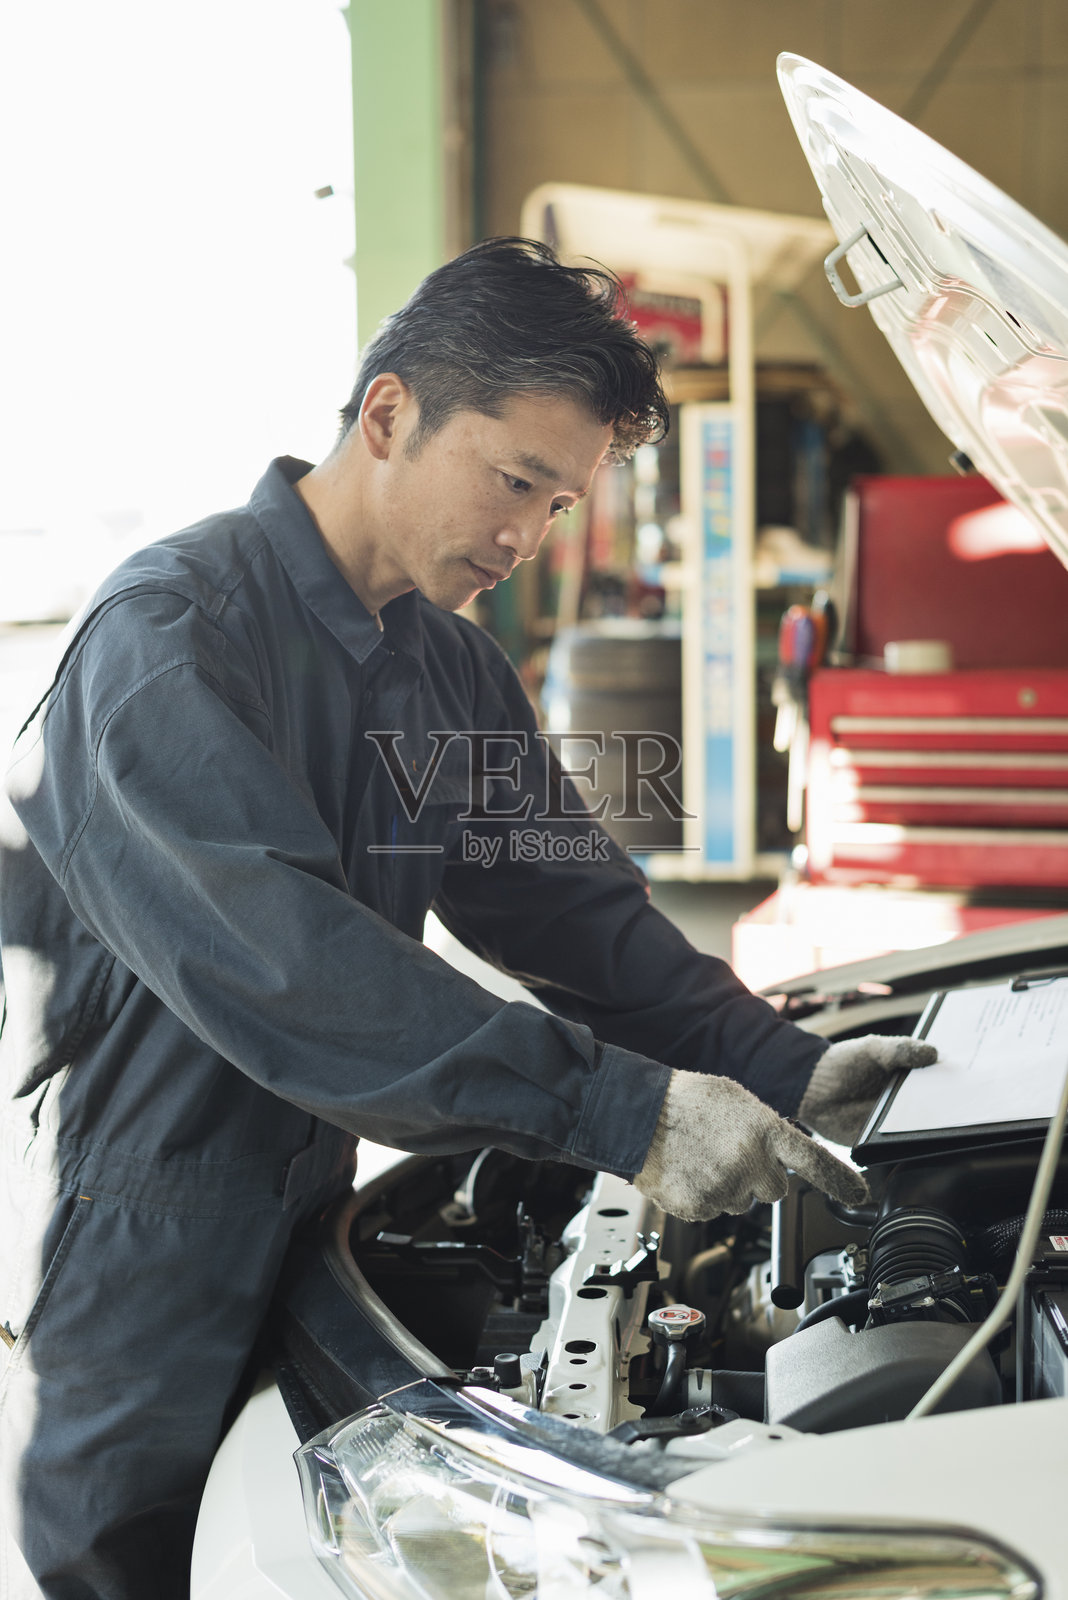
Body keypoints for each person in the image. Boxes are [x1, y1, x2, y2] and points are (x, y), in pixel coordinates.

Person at [0, 238, 933, 1599]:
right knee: (124, 1563)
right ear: (389, 415)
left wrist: (786, 1067)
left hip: (319, 1204)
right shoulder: (170, 639)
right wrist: (624, 1112)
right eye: (514, 481)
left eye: (559, 504)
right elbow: (292, 972)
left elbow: (575, 919)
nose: (527, 539)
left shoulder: (448, 667)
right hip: (147, 1222)